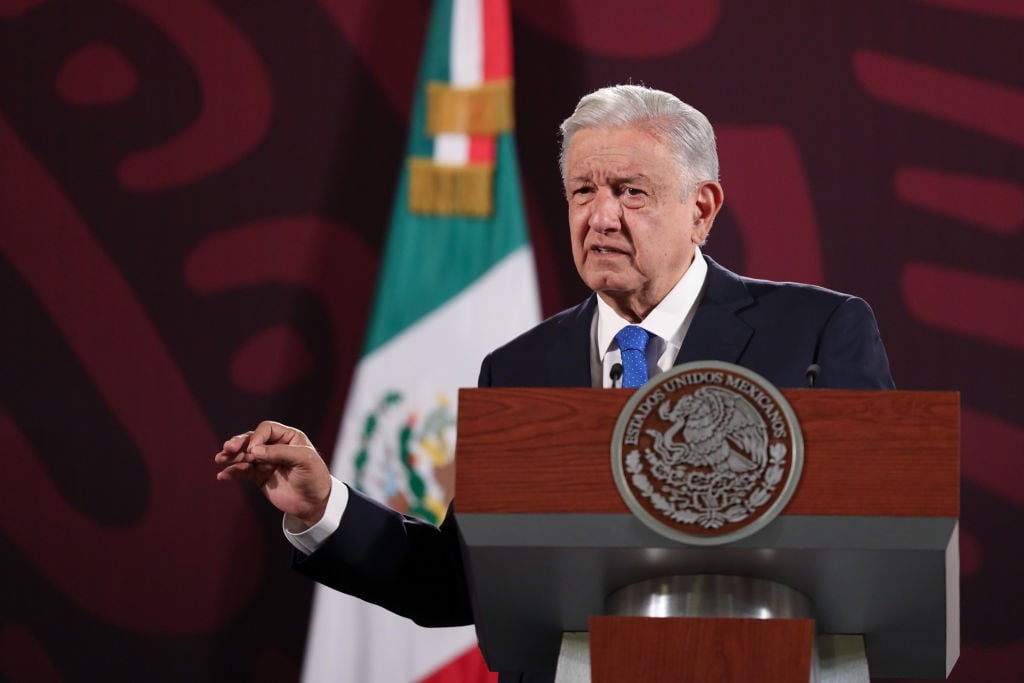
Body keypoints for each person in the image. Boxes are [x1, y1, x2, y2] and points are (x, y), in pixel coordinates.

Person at [216, 85, 894, 681]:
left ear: (702, 208)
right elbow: (458, 582)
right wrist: (323, 506)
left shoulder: (814, 333)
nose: (600, 217)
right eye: (582, 191)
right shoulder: (519, 368)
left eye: (630, 191)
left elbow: (882, 539)